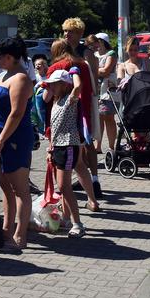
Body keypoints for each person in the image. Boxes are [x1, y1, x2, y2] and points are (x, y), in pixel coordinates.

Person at [0, 37, 34, 251]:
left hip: (12, 141)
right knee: (5, 187)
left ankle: (20, 236)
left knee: (20, 188)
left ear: (10, 57)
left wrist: (2, 139)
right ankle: (6, 229)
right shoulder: (3, 74)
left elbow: (17, 112)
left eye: (0, 57)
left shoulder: (20, 78)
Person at [47, 40, 101, 210]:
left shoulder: (57, 67)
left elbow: (45, 98)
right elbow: (91, 87)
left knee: (63, 173)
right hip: (82, 116)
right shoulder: (82, 64)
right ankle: (92, 200)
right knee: (80, 165)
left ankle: (68, 209)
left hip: (62, 123)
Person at [42, 68, 87, 238]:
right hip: (58, 147)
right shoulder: (56, 101)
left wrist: (75, 72)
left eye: (54, 84)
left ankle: (78, 224)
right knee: (62, 187)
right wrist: (50, 147)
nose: (51, 87)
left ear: (63, 84)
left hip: (68, 145)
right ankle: (67, 219)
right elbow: (53, 127)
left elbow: (78, 88)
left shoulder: (70, 100)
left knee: (64, 187)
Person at [62, 18, 101, 196]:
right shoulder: (63, 50)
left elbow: (94, 82)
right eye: (65, 31)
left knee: (87, 141)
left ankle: (95, 180)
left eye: (70, 31)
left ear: (79, 34)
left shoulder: (87, 53)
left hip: (83, 102)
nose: (66, 34)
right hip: (66, 101)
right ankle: (77, 179)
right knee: (72, 144)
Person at [95, 33, 118, 153]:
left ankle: (111, 147)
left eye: (97, 41)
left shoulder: (111, 54)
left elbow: (106, 70)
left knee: (109, 118)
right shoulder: (94, 54)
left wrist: (94, 70)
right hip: (96, 91)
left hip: (108, 92)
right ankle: (97, 146)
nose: (95, 43)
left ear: (103, 41)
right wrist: (100, 71)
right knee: (98, 119)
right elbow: (101, 71)